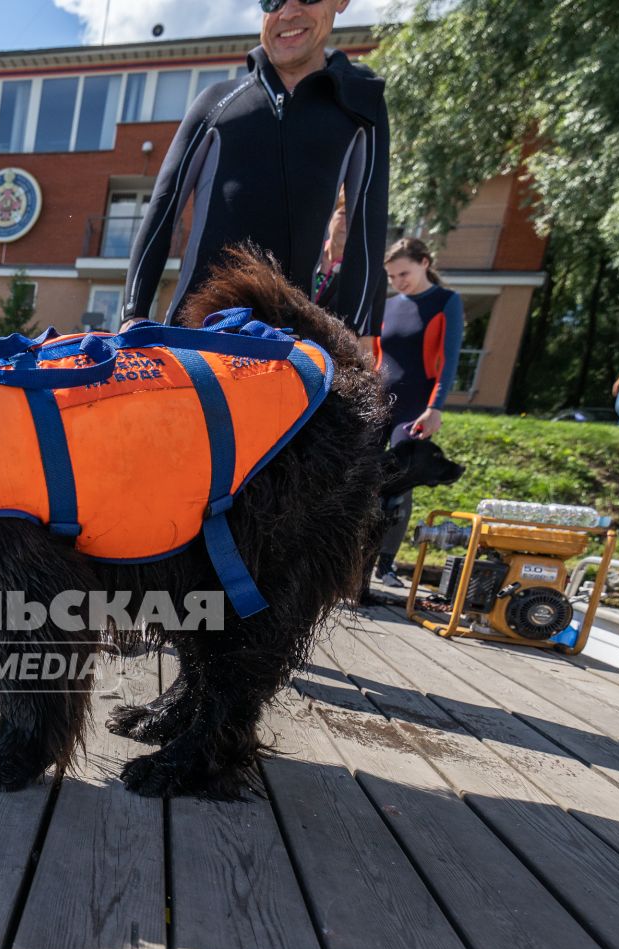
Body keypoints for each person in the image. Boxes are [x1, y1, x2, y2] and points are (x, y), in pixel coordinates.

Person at [123, 0, 389, 349]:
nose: (288, 12)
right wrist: (134, 311)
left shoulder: (358, 105)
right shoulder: (217, 102)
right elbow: (163, 204)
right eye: (273, 0)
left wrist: (354, 328)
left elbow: (366, 224)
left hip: (288, 348)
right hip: (193, 340)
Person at [370, 237, 463, 586]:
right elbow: (377, 357)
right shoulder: (390, 304)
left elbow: (449, 361)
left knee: (399, 483)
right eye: (392, 277)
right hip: (379, 402)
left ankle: (387, 565)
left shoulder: (445, 302)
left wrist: (435, 408)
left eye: (403, 273)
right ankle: (354, 561)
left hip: (415, 408)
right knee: (363, 478)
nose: (398, 282)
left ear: (425, 262)